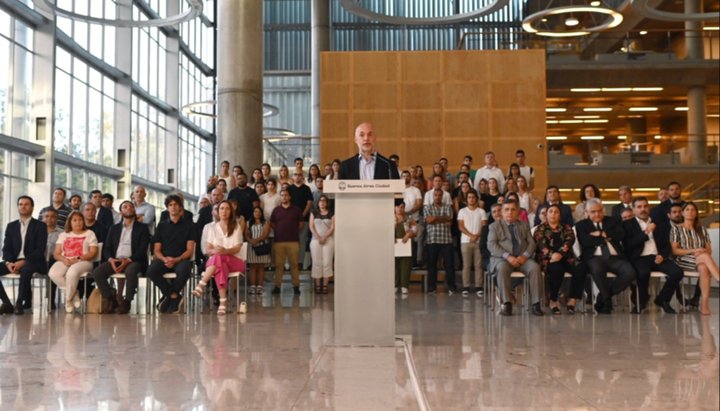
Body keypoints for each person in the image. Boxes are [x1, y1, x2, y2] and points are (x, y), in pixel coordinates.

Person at [575, 198, 637, 314]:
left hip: (614, 257)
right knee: (597, 270)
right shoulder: (581, 225)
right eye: (593, 212)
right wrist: (604, 239)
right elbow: (585, 241)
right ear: (587, 212)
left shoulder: (612, 221)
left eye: (599, 211)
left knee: (630, 273)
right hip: (594, 257)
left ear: (603, 210)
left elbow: (620, 235)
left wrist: (603, 234)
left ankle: (603, 297)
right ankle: (607, 301)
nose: (597, 214)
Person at [623, 197, 683, 314]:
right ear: (633, 210)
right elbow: (628, 244)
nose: (643, 209)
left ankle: (663, 300)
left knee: (677, 272)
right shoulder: (627, 224)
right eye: (639, 207)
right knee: (643, 273)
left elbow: (666, 245)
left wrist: (662, 255)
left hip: (657, 257)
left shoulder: (659, 223)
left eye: (645, 206)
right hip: (639, 258)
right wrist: (646, 232)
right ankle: (642, 301)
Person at [92, 201, 151, 314]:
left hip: (134, 260)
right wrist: (111, 259)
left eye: (131, 206)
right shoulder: (113, 228)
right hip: (116, 260)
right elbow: (107, 248)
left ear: (134, 210)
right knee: (97, 272)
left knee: (130, 271)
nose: (128, 208)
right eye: (125, 207)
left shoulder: (142, 228)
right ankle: (111, 299)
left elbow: (143, 249)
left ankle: (127, 302)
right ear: (120, 212)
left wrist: (128, 260)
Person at [488, 200, 544, 316]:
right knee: (502, 269)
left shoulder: (523, 225)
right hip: (503, 259)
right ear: (502, 212)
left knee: (535, 268)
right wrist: (508, 257)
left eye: (513, 209)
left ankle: (536, 304)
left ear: (518, 212)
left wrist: (525, 256)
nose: (510, 212)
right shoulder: (494, 226)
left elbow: (531, 243)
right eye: (506, 210)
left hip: (522, 258)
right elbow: (491, 245)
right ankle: (507, 304)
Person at [192, 201, 245, 315]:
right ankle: (222, 303)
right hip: (219, 262)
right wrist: (216, 251)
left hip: (236, 262)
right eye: (221, 208)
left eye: (227, 209)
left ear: (231, 211)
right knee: (220, 266)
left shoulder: (236, 226)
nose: (224, 211)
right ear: (217, 211)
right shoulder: (212, 228)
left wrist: (225, 251)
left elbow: (237, 248)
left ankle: (201, 284)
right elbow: (208, 249)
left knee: (219, 257)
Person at [533, 204, 586, 315]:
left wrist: (560, 254)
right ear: (546, 215)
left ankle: (572, 300)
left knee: (581, 267)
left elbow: (569, 240)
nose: (553, 214)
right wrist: (552, 255)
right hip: (547, 259)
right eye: (550, 211)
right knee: (557, 268)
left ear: (560, 215)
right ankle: (553, 300)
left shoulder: (566, 228)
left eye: (556, 212)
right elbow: (541, 244)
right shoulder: (540, 228)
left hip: (566, 257)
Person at [148, 194, 196, 314]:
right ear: (167, 208)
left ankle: (167, 296)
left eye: (176, 204)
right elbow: (156, 250)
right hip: (164, 259)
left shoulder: (189, 225)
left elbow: (190, 250)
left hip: (181, 258)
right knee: (151, 271)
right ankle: (174, 296)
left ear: (180, 207)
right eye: (170, 205)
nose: (173, 207)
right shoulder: (162, 226)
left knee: (184, 270)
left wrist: (176, 259)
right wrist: (164, 259)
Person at [0, 196, 48, 315]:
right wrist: (8, 262)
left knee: (26, 269)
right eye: (20, 204)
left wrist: (24, 261)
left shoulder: (40, 226)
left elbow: (40, 250)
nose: (23, 206)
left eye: (26, 204)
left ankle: (19, 302)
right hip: (14, 261)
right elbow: (6, 248)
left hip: (35, 261)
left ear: (32, 207)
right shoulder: (11, 226)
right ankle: (6, 303)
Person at [670, 202, 719, 315]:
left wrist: (700, 252)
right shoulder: (676, 229)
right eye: (687, 209)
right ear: (683, 213)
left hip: (701, 259)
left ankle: (704, 304)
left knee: (703, 268)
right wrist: (694, 250)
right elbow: (675, 250)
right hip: (683, 259)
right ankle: (718, 276)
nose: (690, 212)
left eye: (693, 210)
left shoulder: (702, 230)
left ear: (696, 213)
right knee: (704, 257)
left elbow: (709, 250)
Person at [48, 211, 98, 314]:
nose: (78, 222)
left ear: (83, 221)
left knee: (72, 272)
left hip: (84, 261)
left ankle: (68, 301)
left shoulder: (90, 233)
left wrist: (79, 259)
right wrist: (64, 259)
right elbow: (56, 253)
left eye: (80, 220)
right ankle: (74, 294)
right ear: (70, 222)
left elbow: (93, 252)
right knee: (53, 273)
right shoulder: (63, 234)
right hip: (65, 259)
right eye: (74, 220)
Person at [270, 189, 304, 295]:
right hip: (279, 241)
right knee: (279, 265)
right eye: (282, 195)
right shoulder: (276, 210)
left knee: (294, 264)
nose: (284, 197)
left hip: (293, 241)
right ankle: (277, 286)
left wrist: (292, 230)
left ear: (289, 197)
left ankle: (296, 286)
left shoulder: (296, 210)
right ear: (280, 197)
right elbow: (272, 223)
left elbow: (301, 224)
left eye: (286, 195)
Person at [424, 189, 456, 295]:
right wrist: (442, 218)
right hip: (432, 240)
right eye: (436, 195)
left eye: (439, 195)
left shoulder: (447, 207)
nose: (437, 197)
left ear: (442, 196)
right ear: (433, 196)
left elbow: (449, 220)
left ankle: (451, 287)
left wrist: (435, 218)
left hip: (446, 240)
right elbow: (429, 220)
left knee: (449, 265)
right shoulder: (427, 207)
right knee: (432, 266)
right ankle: (432, 288)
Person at [457, 190, 487, 297]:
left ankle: (479, 286)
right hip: (465, 241)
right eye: (469, 197)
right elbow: (460, 226)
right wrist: (471, 236)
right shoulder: (462, 211)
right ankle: (466, 286)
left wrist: (476, 236)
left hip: (478, 241)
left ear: (476, 199)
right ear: (467, 199)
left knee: (478, 265)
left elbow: (484, 226)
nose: (471, 199)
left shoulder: (481, 211)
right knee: (466, 265)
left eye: (473, 197)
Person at [288, 169, 314, 270]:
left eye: (299, 175)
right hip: (290, 220)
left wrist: (302, 216)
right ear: (292, 177)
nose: (297, 176)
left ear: (302, 177)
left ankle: (299, 262)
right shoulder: (289, 189)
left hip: (304, 219)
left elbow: (309, 203)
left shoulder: (306, 189)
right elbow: (287, 203)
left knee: (302, 241)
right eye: (295, 175)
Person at [309, 195, 335, 294]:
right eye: (320, 201)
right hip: (316, 239)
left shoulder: (332, 213)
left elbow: (332, 227)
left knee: (327, 262)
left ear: (327, 202)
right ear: (317, 202)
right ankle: (318, 284)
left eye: (324, 201)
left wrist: (324, 237)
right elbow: (311, 226)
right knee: (316, 262)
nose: (322, 203)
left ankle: (325, 285)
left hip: (328, 239)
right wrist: (318, 237)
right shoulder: (314, 213)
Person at [245, 206, 271, 295]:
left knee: (261, 267)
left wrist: (257, 240)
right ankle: (252, 286)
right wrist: (251, 241)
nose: (257, 213)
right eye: (255, 211)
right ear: (253, 213)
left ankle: (260, 286)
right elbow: (246, 234)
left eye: (259, 211)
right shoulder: (248, 223)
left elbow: (265, 234)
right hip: (251, 246)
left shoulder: (265, 223)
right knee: (252, 267)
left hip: (262, 246)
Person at [394, 203, 416, 295]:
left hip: (405, 245)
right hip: (394, 245)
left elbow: (415, 230)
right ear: (394, 207)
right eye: (398, 207)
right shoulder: (389, 218)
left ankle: (404, 286)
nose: (400, 209)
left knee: (405, 265)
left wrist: (408, 234)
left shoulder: (409, 218)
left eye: (402, 207)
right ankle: (394, 285)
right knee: (394, 265)